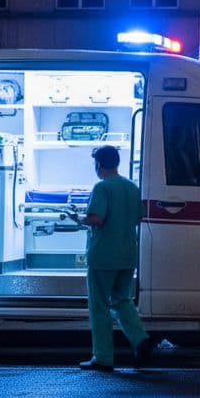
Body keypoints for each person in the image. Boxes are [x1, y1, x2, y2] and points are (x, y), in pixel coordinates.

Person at [72, 146, 153, 371]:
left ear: (99, 165)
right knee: (122, 300)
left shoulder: (102, 187)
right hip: (127, 254)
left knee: (99, 305)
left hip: (103, 256)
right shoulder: (131, 187)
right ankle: (140, 339)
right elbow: (138, 217)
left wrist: (78, 218)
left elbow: (96, 218)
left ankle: (103, 357)